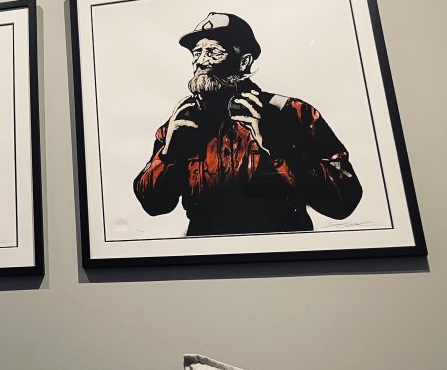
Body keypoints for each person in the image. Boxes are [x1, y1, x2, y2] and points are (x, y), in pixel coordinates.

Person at [133, 13, 362, 236]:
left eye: (213, 52)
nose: (201, 61)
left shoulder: (291, 113)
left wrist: (277, 146)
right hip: (206, 256)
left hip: (282, 254)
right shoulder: (181, 121)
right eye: (197, 53)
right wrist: (169, 154)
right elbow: (154, 206)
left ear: (243, 62)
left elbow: (343, 201)